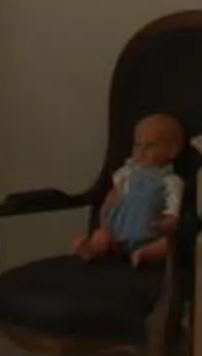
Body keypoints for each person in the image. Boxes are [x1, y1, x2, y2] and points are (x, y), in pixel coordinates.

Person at [75, 113, 186, 268]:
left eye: (150, 146)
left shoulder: (171, 181)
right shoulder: (126, 173)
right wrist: (107, 210)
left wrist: (165, 224)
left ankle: (145, 253)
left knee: (168, 244)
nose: (141, 151)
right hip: (116, 234)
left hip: (149, 234)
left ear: (172, 151)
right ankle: (91, 249)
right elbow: (113, 196)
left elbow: (173, 212)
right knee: (101, 236)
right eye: (137, 144)